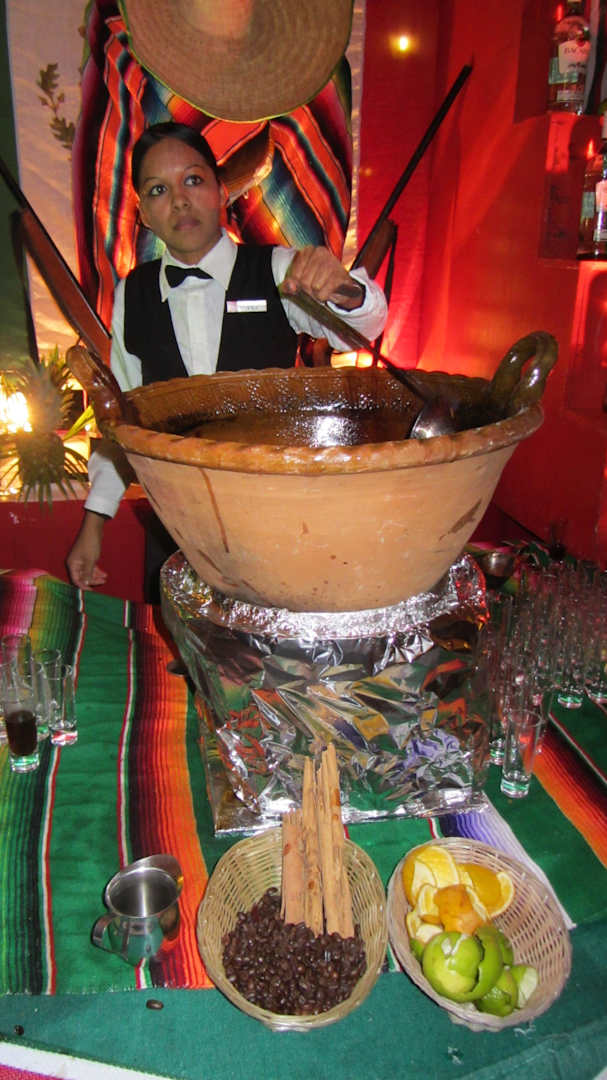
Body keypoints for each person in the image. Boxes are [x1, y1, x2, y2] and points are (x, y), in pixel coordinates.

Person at [66, 122, 388, 600]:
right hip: (176, 526)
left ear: (221, 191)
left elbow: (362, 327)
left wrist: (345, 289)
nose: (179, 200)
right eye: (158, 190)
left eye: (193, 180)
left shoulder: (277, 268)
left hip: (272, 519)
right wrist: (94, 522)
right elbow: (123, 419)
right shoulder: (133, 294)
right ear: (145, 214)